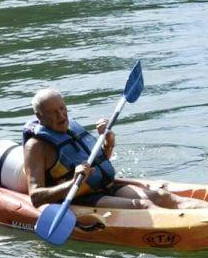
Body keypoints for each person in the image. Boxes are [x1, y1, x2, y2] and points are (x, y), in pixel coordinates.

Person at [21, 88, 185, 209]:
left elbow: (99, 164)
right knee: (144, 205)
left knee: (161, 196)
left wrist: (108, 142)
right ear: (40, 117)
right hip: (81, 198)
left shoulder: (70, 128)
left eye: (62, 108)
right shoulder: (36, 146)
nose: (61, 116)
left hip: (105, 186)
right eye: (53, 113)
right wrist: (72, 183)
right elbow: (36, 197)